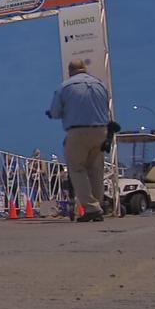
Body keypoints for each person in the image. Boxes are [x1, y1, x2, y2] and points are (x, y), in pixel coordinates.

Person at [47, 59, 110, 222]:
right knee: (96, 169)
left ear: (70, 71)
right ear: (85, 68)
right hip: (101, 130)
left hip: (78, 131)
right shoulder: (100, 85)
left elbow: (55, 112)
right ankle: (98, 205)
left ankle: (91, 208)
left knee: (77, 169)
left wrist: (54, 113)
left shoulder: (65, 87)